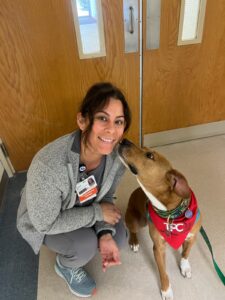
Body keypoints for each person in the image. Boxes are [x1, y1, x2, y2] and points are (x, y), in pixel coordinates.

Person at [17, 82, 131, 297]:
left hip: (84, 206)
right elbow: (45, 222)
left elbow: (106, 194)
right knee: (85, 245)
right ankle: (65, 266)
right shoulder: (48, 165)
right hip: (44, 218)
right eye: (102, 118)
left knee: (119, 238)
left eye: (119, 122)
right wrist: (97, 214)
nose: (111, 130)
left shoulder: (117, 156)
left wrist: (104, 231)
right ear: (82, 120)